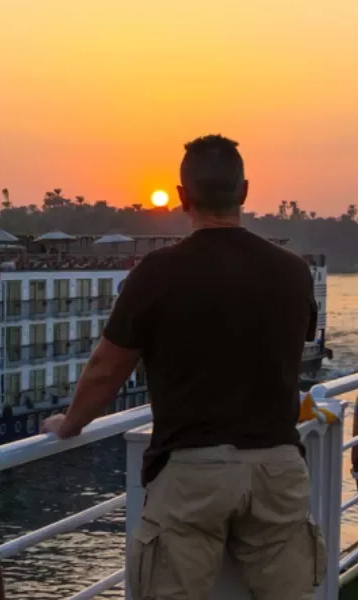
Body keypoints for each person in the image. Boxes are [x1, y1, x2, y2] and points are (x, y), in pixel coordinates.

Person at [41, 134, 326, 599]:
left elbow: (106, 368)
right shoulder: (293, 270)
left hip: (192, 473)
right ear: (244, 191)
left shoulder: (158, 272)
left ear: (182, 196)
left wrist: (70, 423)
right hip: (277, 467)